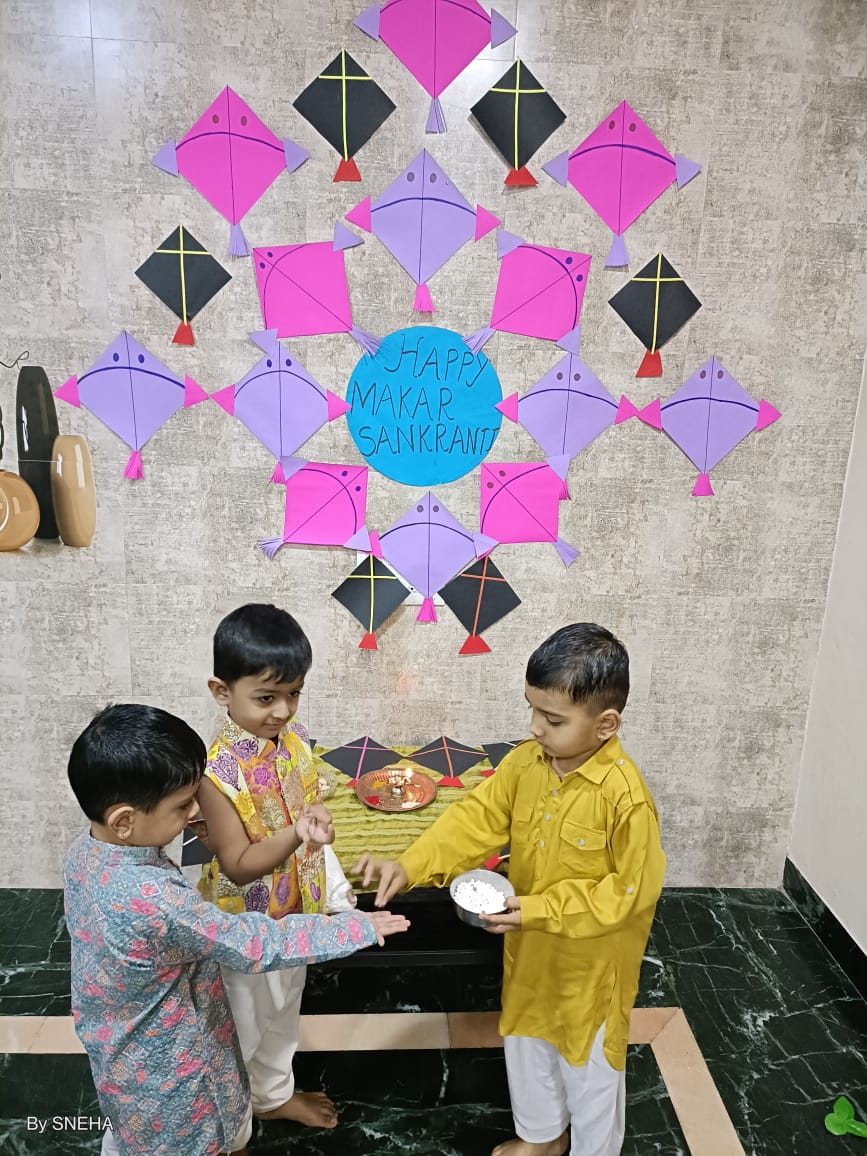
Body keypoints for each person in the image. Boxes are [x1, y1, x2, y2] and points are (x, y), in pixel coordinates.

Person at [354, 623, 666, 1156]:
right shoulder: (526, 764)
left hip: (590, 974)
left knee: (589, 1069)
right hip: (529, 952)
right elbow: (474, 821)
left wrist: (540, 909)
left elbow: (627, 895)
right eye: (532, 710)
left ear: (606, 724)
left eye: (553, 719)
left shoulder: (626, 800)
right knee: (526, 1044)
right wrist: (410, 866)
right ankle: (542, 1137)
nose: (535, 727)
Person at [64, 703, 407, 1156]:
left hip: (121, 1057)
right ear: (124, 820)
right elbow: (253, 943)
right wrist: (350, 929)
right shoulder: (154, 900)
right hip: (175, 1072)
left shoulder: (85, 853)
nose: (193, 812)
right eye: (182, 806)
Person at [195, 603, 352, 1131]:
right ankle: (230, 1127)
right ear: (222, 691)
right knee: (243, 1026)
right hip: (247, 927)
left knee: (285, 1012)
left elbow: (310, 797)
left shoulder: (292, 739)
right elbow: (239, 865)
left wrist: (317, 817)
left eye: (294, 693)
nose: (283, 710)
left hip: (295, 912)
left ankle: (273, 1096)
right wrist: (298, 832)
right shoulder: (215, 775)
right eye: (266, 697)